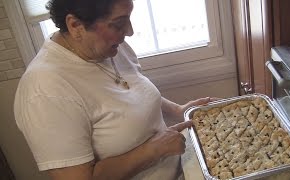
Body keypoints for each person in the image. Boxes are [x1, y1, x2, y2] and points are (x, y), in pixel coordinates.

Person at [14, 0, 216, 179]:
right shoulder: (45, 90)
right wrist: (153, 150)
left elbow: (134, 93)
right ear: (75, 25)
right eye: (118, 24)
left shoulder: (109, 48)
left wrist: (178, 110)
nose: (129, 31)